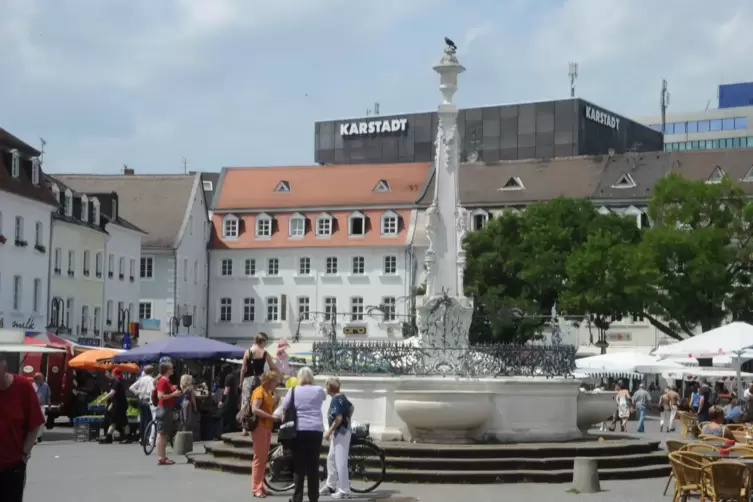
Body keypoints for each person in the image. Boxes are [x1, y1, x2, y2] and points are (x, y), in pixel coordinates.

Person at [0, 352, 45, 502]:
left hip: (12, 466)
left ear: (4, 366)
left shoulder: (23, 387)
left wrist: (24, 456)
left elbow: (35, 425)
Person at [282, 366, 327, 502]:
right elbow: (324, 397)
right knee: (313, 466)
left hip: (299, 430)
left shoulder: (294, 390)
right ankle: (314, 498)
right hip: (315, 430)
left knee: (299, 466)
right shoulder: (319, 390)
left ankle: (297, 498)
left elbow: (284, 407)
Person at [321, 378, 354, 499]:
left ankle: (345, 490)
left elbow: (338, 418)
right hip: (341, 432)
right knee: (331, 458)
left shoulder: (335, 399)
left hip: (341, 432)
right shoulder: (342, 397)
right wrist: (348, 420)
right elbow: (351, 408)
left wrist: (329, 431)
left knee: (341, 462)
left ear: (329, 387)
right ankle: (331, 485)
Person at [250, 371, 281, 498]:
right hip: (260, 427)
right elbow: (255, 409)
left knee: (263, 458)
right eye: (275, 381)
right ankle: (256, 488)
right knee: (259, 458)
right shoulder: (259, 391)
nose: (277, 384)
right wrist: (271, 417)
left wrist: (276, 403)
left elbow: (268, 409)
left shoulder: (268, 392)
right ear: (269, 381)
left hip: (266, 427)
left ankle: (260, 486)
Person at [240, 333, 278, 436]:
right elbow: (273, 366)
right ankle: (257, 425)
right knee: (258, 402)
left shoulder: (247, 352)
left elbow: (243, 369)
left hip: (248, 379)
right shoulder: (265, 353)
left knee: (245, 401)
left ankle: (244, 428)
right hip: (259, 379)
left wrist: (240, 382)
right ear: (263, 341)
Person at [155, 361, 183, 465]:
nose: (173, 370)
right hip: (164, 408)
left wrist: (173, 390)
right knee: (162, 433)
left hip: (167, 408)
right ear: (166, 370)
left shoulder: (166, 380)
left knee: (164, 433)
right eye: (171, 368)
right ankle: (161, 457)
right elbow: (160, 396)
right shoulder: (163, 380)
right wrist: (173, 394)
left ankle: (163, 456)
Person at [100, 367, 131, 444]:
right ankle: (111, 437)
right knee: (118, 421)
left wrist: (102, 399)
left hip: (120, 405)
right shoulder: (117, 381)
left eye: (113, 373)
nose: (112, 374)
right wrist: (112, 403)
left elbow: (112, 393)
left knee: (118, 421)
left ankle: (110, 437)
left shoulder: (117, 382)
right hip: (119, 404)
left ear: (114, 374)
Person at [129, 365, 155, 445]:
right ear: (152, 372)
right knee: (149, 420)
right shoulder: (151, 380)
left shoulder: (141, 379)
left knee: (142, 420)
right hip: (148, 401)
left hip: (141, 400)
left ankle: (142, 438)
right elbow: (152, 391)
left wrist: (138, 392)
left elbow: (131, 387)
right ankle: (146, 438)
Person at [218, 366, 240, 433]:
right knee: (232, 418)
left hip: (228, 400)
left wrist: (222, 400)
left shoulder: (229, 376)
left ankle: (220, 433)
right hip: (235, 401)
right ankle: (231, 433)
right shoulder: (236, 377)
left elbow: (227, 389)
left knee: (221, 415)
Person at [180, 374, 200, 440]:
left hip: (183, 403)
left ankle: (183, 435)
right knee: (189, 420)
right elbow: (193, 398)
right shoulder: (190, 387)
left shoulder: (181, 386)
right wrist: (195, 407)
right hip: (189, 404)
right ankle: (189, 437)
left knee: (184, 419)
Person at [32, 373, 51, 442]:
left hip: (41, 405)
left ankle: (39, 435)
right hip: (33, 406)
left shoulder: (45, 386)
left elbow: (48, 396)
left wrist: (49, 405)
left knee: (42, 421)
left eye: (42, 378)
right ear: (36, 379)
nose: (42, 380)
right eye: (41, 379)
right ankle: (35, 437)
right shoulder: (32, 385)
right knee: (34, 421)